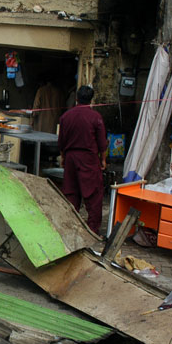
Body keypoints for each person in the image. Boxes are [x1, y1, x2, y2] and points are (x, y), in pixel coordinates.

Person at [57, 85, 107, 234]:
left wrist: (64, 157)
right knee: (94, 195)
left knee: (71, 192)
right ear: (91, 100)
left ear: (77, 98)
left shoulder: (66, 116)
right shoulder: (95, 117)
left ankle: (70, 225)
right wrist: (103, 160)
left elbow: (62, 141)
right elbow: (102, 142)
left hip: (71, 158)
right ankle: (92, 229)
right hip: (89, 158)